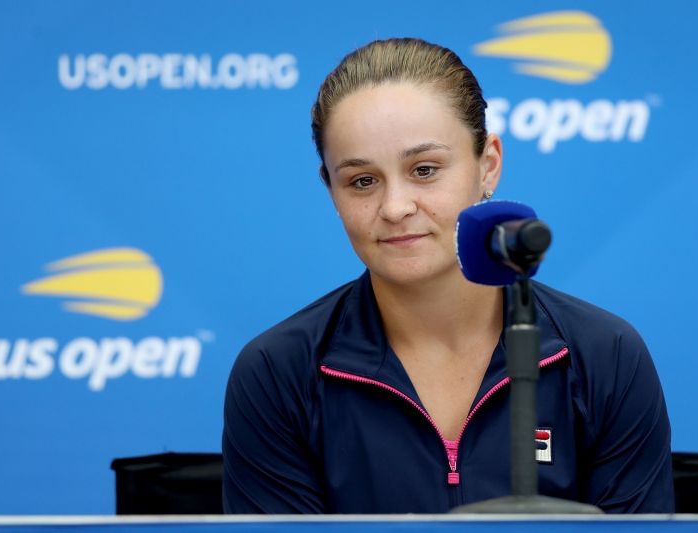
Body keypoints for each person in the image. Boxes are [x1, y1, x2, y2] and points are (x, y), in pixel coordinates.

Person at [222, 38, 674, 514]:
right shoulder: (277, 373)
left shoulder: (605, 356)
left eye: (424, 169)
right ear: (331, 190)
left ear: (488, 165)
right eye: (362, 181)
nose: (395, 207)